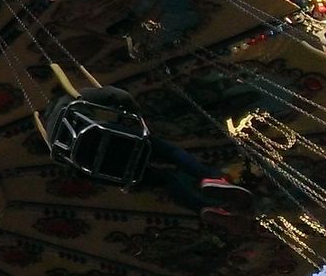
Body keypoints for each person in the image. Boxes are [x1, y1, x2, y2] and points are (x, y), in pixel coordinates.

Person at [58, 85, 254, 232]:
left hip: (100, 166)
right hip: (106, 138)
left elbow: (72, 168)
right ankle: (209, 177)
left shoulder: (54, 140)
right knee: (168, 151)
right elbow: (118, 95)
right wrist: (132, 109)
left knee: (163, 179)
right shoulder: (71, 99)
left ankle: (202, 208)